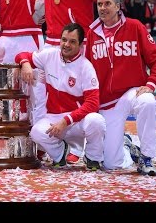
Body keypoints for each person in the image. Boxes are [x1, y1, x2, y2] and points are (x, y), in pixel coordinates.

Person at [0, 0, 79, 160]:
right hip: (4, 38)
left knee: (37, 93)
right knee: (3, 92)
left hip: (29, 36)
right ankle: (7, 139)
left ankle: (42, 145)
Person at [84, 0, 156, 176]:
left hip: (132, 92)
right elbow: (85, 71)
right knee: (112, 164)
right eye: (99, 4)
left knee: (147, 102)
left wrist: (151, 83)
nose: (103, 8)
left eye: (107, 4)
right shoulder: (91, 33)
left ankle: (146, 158)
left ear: (118, 6)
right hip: (107, 102)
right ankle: (128, 148)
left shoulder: (135, 26)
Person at [40, 0, 101, 163]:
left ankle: (90, 142)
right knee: (47, 94)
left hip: (77, 44)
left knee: (79, 92)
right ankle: (51, 142)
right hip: (50, 42)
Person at [15, 23, 106, 170]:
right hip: (53, 117)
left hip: (76, 120)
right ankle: (60, 154)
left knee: (97, 121)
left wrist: (66, 120)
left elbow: (93, 104)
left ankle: (93, 157)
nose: (66, 45)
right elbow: (21, 55)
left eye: (72, 41)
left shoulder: (86, 67)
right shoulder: (50, 55)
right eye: (64, 40)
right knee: (36, 132)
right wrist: (25, 63)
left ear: (81, 44)